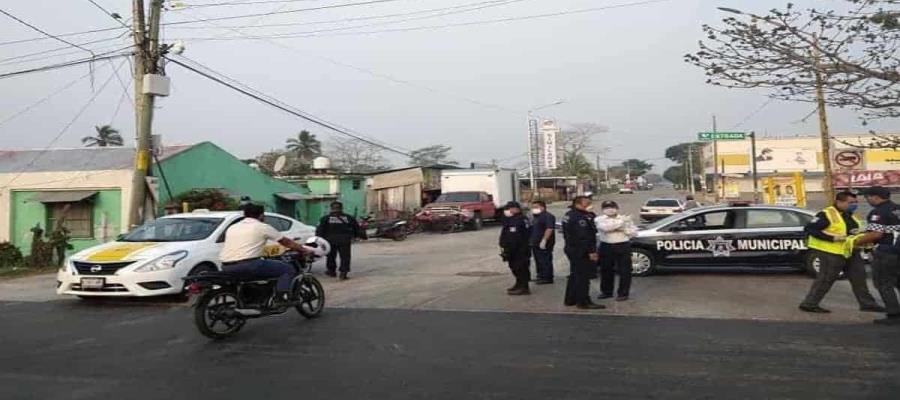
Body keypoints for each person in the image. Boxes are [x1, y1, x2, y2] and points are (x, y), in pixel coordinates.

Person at [798, 191, 883, 314]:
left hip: (850, 251)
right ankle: (809, 304)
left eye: (855, 202)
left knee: (859, 278)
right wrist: (832, 238)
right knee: (825, 279)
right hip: (830, 252)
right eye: (851, 202)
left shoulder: (850, 215)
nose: (854, 205)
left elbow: (853, 232)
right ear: (839, 202)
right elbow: (810, 229)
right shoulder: (826, 214)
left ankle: (867, 304)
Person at [220, 203, 310, 305]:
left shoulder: (233, 227)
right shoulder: (262, 227)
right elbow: (286, 242)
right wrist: (303, 249)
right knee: (287, 269)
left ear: (245, 214)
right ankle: (280, 299)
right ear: (262, 215)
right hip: (249, 265)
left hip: (226, 266)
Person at [855, 186, 900, 325]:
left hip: (886, 252)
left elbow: (876, 234)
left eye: (867, 197)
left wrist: (853, 241)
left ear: (875, 197)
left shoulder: (878, 212)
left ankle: (894, 315)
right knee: (898, 281)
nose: (867, 200)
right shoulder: (897, 208)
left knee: (883, 283)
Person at [562, 196, 605, 310]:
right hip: (581, 250)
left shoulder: (570, 214)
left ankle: (570, 299)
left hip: (572, 249)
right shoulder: (579, 218)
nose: (589, 205)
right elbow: (584, 237)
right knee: (583, 277)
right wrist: (591, 251)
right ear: (578, 204)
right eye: (587, 203)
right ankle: (583, 301)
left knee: (574, 275)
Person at [595, 201, 638, 301]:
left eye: (612, 207)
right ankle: (606, 292)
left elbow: (633, 232)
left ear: (616, 208)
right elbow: (606, 228)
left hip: (622, 245)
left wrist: (622, 228)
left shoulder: (624, 218)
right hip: (606, 246)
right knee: (606, 270)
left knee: (625, 271)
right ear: (603, 209)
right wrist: (622, 225)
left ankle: (623, 293)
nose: (609, 209)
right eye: (607, 207)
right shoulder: (599, 219)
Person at [316, 201, 364, 280]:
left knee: (330, 256)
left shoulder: (325, 218)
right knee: (345, 257)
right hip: (345, 241)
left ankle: (331, 271)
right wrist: (357, 236)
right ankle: (343, 273)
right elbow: (356, 228)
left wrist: (320, 240)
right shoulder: (349, 217)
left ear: (331, 208)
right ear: (341, 208)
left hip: (330, 241)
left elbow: (319, 230)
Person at [499, 201, 532, 295]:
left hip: (519, 249)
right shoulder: (512, 219)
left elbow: (515, 237)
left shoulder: (518, 220)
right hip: (514, 249)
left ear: (515, 209)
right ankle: (518, 284)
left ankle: (524, 287)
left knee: (520, 268)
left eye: (508, 209)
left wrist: (510, 249)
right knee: (514, 267)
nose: (507, 211)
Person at [530, 200, 556, 285]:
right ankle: (540, 275)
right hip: (535, 242)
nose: (533, 209)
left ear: (542, 207)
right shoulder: (536, 216)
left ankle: (547, 277)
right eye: (533, 207)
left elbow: (549, 229)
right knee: (538, 260)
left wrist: (544, 240)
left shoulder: (547, 216)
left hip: (544, 243)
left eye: (536, 207)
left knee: (545, 260)